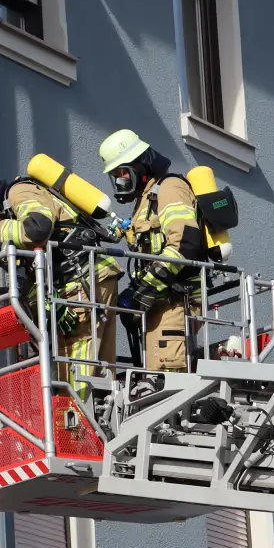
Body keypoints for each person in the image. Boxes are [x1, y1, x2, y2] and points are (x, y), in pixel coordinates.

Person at [0, 174, 120, 398]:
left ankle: (77, 417)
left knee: (76, 363)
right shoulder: (9, 212)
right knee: (94, 368)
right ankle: (98, 409)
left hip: (82, 280)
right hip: (83, 281)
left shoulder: (19, 192)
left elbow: (36, 229)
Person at [97, 130, 204, 373]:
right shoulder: (144, 201)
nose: (120, 181)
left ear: (140, 166)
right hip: (159, 303)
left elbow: (185, 243)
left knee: (166, 378)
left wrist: (147, 288)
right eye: (116, 176)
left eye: (123, 173)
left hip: (176, 301)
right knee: (151, 378)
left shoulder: (170, 188)